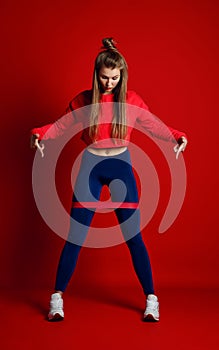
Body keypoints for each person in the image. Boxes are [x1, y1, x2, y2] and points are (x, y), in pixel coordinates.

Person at [30, 38, 188, 322]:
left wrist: (177, 135)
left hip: (121, 168)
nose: (109, 83)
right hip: (90, 166)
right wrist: (39, 133)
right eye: (104, 78)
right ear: (96, 74)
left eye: (115, 78)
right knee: (75, 237)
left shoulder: (131, 100)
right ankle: (57, 299)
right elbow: (61, 125)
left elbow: (153, 124)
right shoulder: (83, 100)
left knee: (133, 237)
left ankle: (151, 299)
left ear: (122, 76)